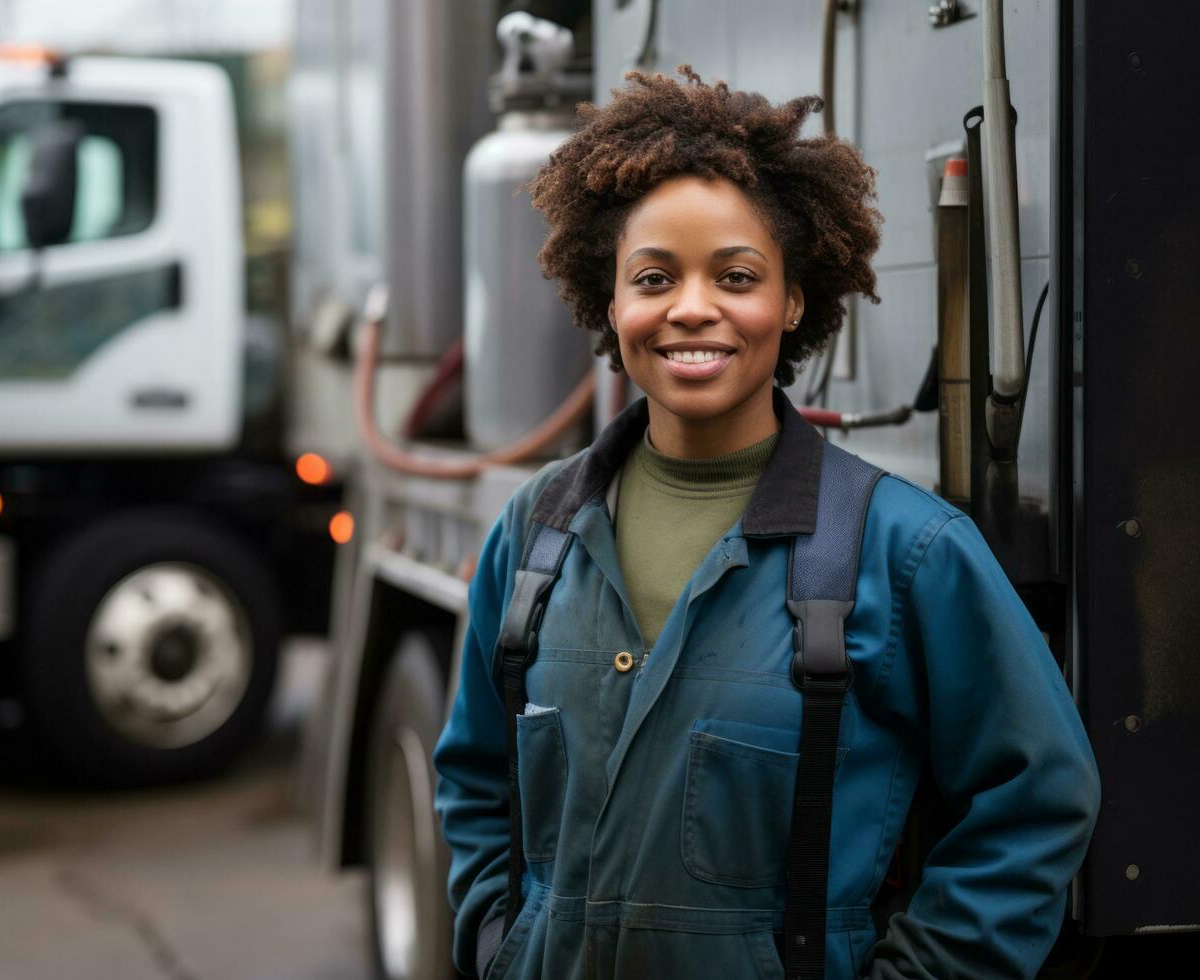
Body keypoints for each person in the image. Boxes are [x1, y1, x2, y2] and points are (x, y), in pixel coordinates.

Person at [433, 66, 1101, 980]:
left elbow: (1036, 796)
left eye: (736, 276)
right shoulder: (536, 529)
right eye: (653, 277)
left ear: (791, 301)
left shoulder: (903, 551)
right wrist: (495, 943)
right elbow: (475, 776)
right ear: (612, 299)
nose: (692, 307)